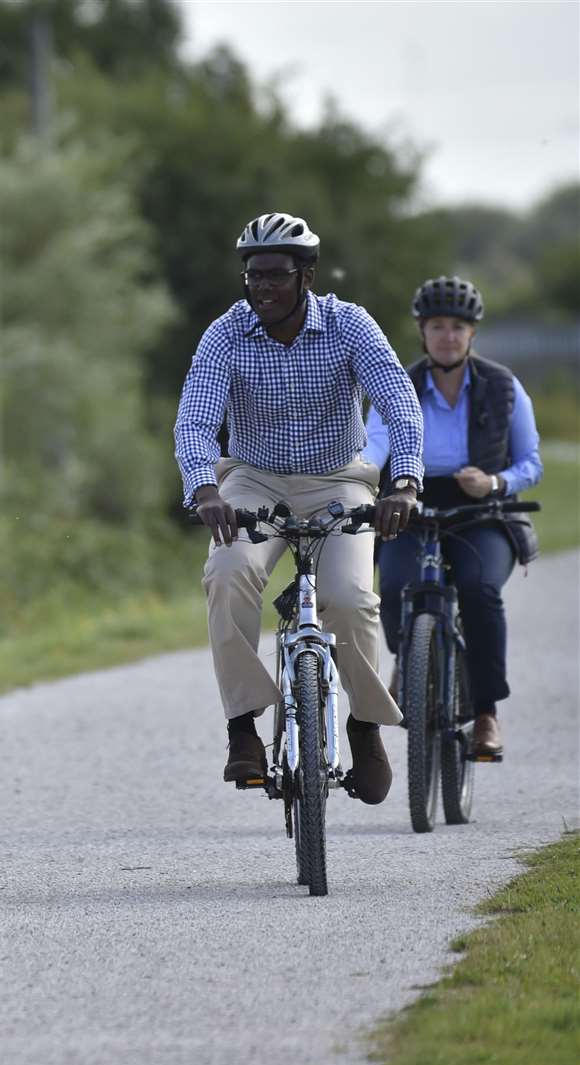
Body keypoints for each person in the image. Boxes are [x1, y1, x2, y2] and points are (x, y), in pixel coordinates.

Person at [174, 212, 425, 804]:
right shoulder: (226, 334)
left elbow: (399, 402)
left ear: (306, 275)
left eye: (275, 276)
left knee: (348, 598)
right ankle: (243, 728)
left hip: (339, 480)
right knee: (227, 572)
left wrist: (405, 483)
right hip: (252, 479)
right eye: (252, 276)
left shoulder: (349, 326)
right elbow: (196, 419)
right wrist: (204, 488)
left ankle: (364, 728)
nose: (261, 288)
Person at [365, 275, 542, 756]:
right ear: (422, 331)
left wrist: (495, 483)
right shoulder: (398, 384)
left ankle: (486, 713)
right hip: (411, 504)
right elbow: (376, 444)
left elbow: (531, 462)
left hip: (483, 509)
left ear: (472, 334)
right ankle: (410, 657)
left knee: (479, 590)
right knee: (397, 586)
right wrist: (362, 476)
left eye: (458, 327)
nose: (447, 335)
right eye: (437, 326)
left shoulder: (504, 387)